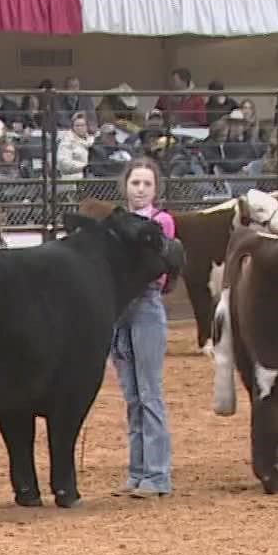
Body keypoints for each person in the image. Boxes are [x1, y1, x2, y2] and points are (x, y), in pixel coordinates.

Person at [110, 156, 176, 498]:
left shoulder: (161, 221)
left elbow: (158, 269)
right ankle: (138, 472)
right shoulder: (118, 222)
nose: (140, 189)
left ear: (155, 188)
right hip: (121, 309)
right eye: (135, 183)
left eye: (146, 184)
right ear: (126, 186)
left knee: (149, 393)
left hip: (146, 305)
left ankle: (157, 474)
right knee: (133, 396)